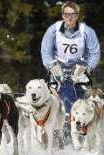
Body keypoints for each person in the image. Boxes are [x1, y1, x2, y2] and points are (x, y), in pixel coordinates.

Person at [41, 1, 100, 144]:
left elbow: (95, 53)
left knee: (80, 103)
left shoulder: (87, 31)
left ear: (77, 15)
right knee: (52, 100)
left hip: (79, 69)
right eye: (66, 14)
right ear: (62, 15)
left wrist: (87, 67)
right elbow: (45, 51)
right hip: (58, 68)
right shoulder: (53, 30)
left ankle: (80, 133)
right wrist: (51, 66)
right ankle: (51, 133)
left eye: (72, 14)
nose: (69, 17)